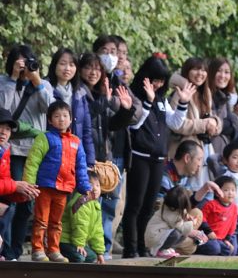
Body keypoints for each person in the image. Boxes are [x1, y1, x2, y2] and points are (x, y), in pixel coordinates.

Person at [122, 55, 195, 258]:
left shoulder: (162, 100)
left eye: (161, 80)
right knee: (135, 205)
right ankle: (130, 247)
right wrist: (147, 102)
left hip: (157, 160)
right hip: (140, 157)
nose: (158, 84)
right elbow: (134, 125)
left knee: (149, 206)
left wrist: (183, 103)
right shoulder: (135, 96)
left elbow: (175, 123)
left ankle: (143, 246)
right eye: (154, 79)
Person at [77, 52, 136, 258]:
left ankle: (103, 248)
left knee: (107, 205)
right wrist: (106, 102)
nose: (93, 72)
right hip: (85, 156)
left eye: (97, 68)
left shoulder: (102, 94)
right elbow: (81, 120)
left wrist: (127, 110)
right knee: (85, 203)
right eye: (88, 67)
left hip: (104, 156)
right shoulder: (80, 93)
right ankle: (81, 247)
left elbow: (113, 124)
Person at [0, 44, 54, 261]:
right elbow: (4, 111)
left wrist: (36, 81)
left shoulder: (43, 84)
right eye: (19, 63)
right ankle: (8, 250)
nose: (24, 67)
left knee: (27, 202)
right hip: (11, 150)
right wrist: (14, 78)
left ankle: (15, 248)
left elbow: (50, 109)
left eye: (27, 62)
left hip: (35, 152)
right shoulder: (4, 83)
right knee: (10, 201)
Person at [24, 100, 92, 262]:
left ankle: (54, 250)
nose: (61, 119)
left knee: (56, 221)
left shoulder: (76, 141)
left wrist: (85, 186)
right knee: (41, 219)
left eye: (65, 116)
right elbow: (33, 162)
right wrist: (29, 184)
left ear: (70, 119)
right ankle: (38, 249)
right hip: (45, 187)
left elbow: (81, 166)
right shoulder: (44, 138)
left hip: (64, 188)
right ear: (49, 120)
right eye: (56, 116)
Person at [168, 57, 222, 190]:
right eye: (196, 69)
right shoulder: (179, 93)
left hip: (204, 149)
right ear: (187, 71)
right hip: (185, 151)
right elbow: (176, 124)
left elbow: (213, 117)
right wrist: (204, 124)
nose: (200, 73)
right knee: (183, 192)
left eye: (203, 70)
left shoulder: (205, 92)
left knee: (203, 191)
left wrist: (215, 123)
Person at [0, 108, 41, 260]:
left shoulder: (4, 149)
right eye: (0, 127)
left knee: (8, 206)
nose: (3, 132)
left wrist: (22, 194)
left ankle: (5, 252)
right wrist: (15, 185)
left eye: (7, 129)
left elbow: (4, 185)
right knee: (5, 209)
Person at [47, 48, 96, 168]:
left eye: (71, 64)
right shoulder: (44, 88)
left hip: (74, 155)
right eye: (63, 64)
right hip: (49, 153)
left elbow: (86, 130)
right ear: (54, 65)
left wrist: (89, 161)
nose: (67, 68)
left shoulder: (80, 93)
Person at [59, 171, 105, 263]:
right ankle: (59, 252)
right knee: (80, 258)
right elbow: (80, 224)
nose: (95, 189)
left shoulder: (95, 204)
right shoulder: (82, 201)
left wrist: (99, 252)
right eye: (91, 185)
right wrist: (79, 244)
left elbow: (98, 231)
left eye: (97, 185)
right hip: (65, 240)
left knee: (92, 257)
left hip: (76, 241)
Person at [145, 186, 196, 259]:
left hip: (160, 235)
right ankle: (161, 250)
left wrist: (186, 217)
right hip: (154, 238)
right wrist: (192, 223)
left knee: (182, 235)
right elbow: (181, 228)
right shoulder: (168, 211)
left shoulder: (170, 207)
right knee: (176, 233)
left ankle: (167, 248)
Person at [207, 58, 238, 155]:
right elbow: (209, 125)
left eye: (227, 72)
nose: (223, 76)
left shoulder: (224, 96)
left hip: (222, 149)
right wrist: (225, 125)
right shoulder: (204, 95)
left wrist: (223, 125)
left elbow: (234, 125)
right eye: (218, 71)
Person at [197, 175, 238, 256]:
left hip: (221, 239)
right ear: (217, 192)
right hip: (206, 237)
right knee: (214, 248)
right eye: (226, 190)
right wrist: (209, 231)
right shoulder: (211, 204)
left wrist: (227, 240)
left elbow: (232, 226)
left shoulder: (234, 207)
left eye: (233, 190)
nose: (230, 193)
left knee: (232, 251)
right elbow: (202, 219)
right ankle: (197, 247)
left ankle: (220, 248)